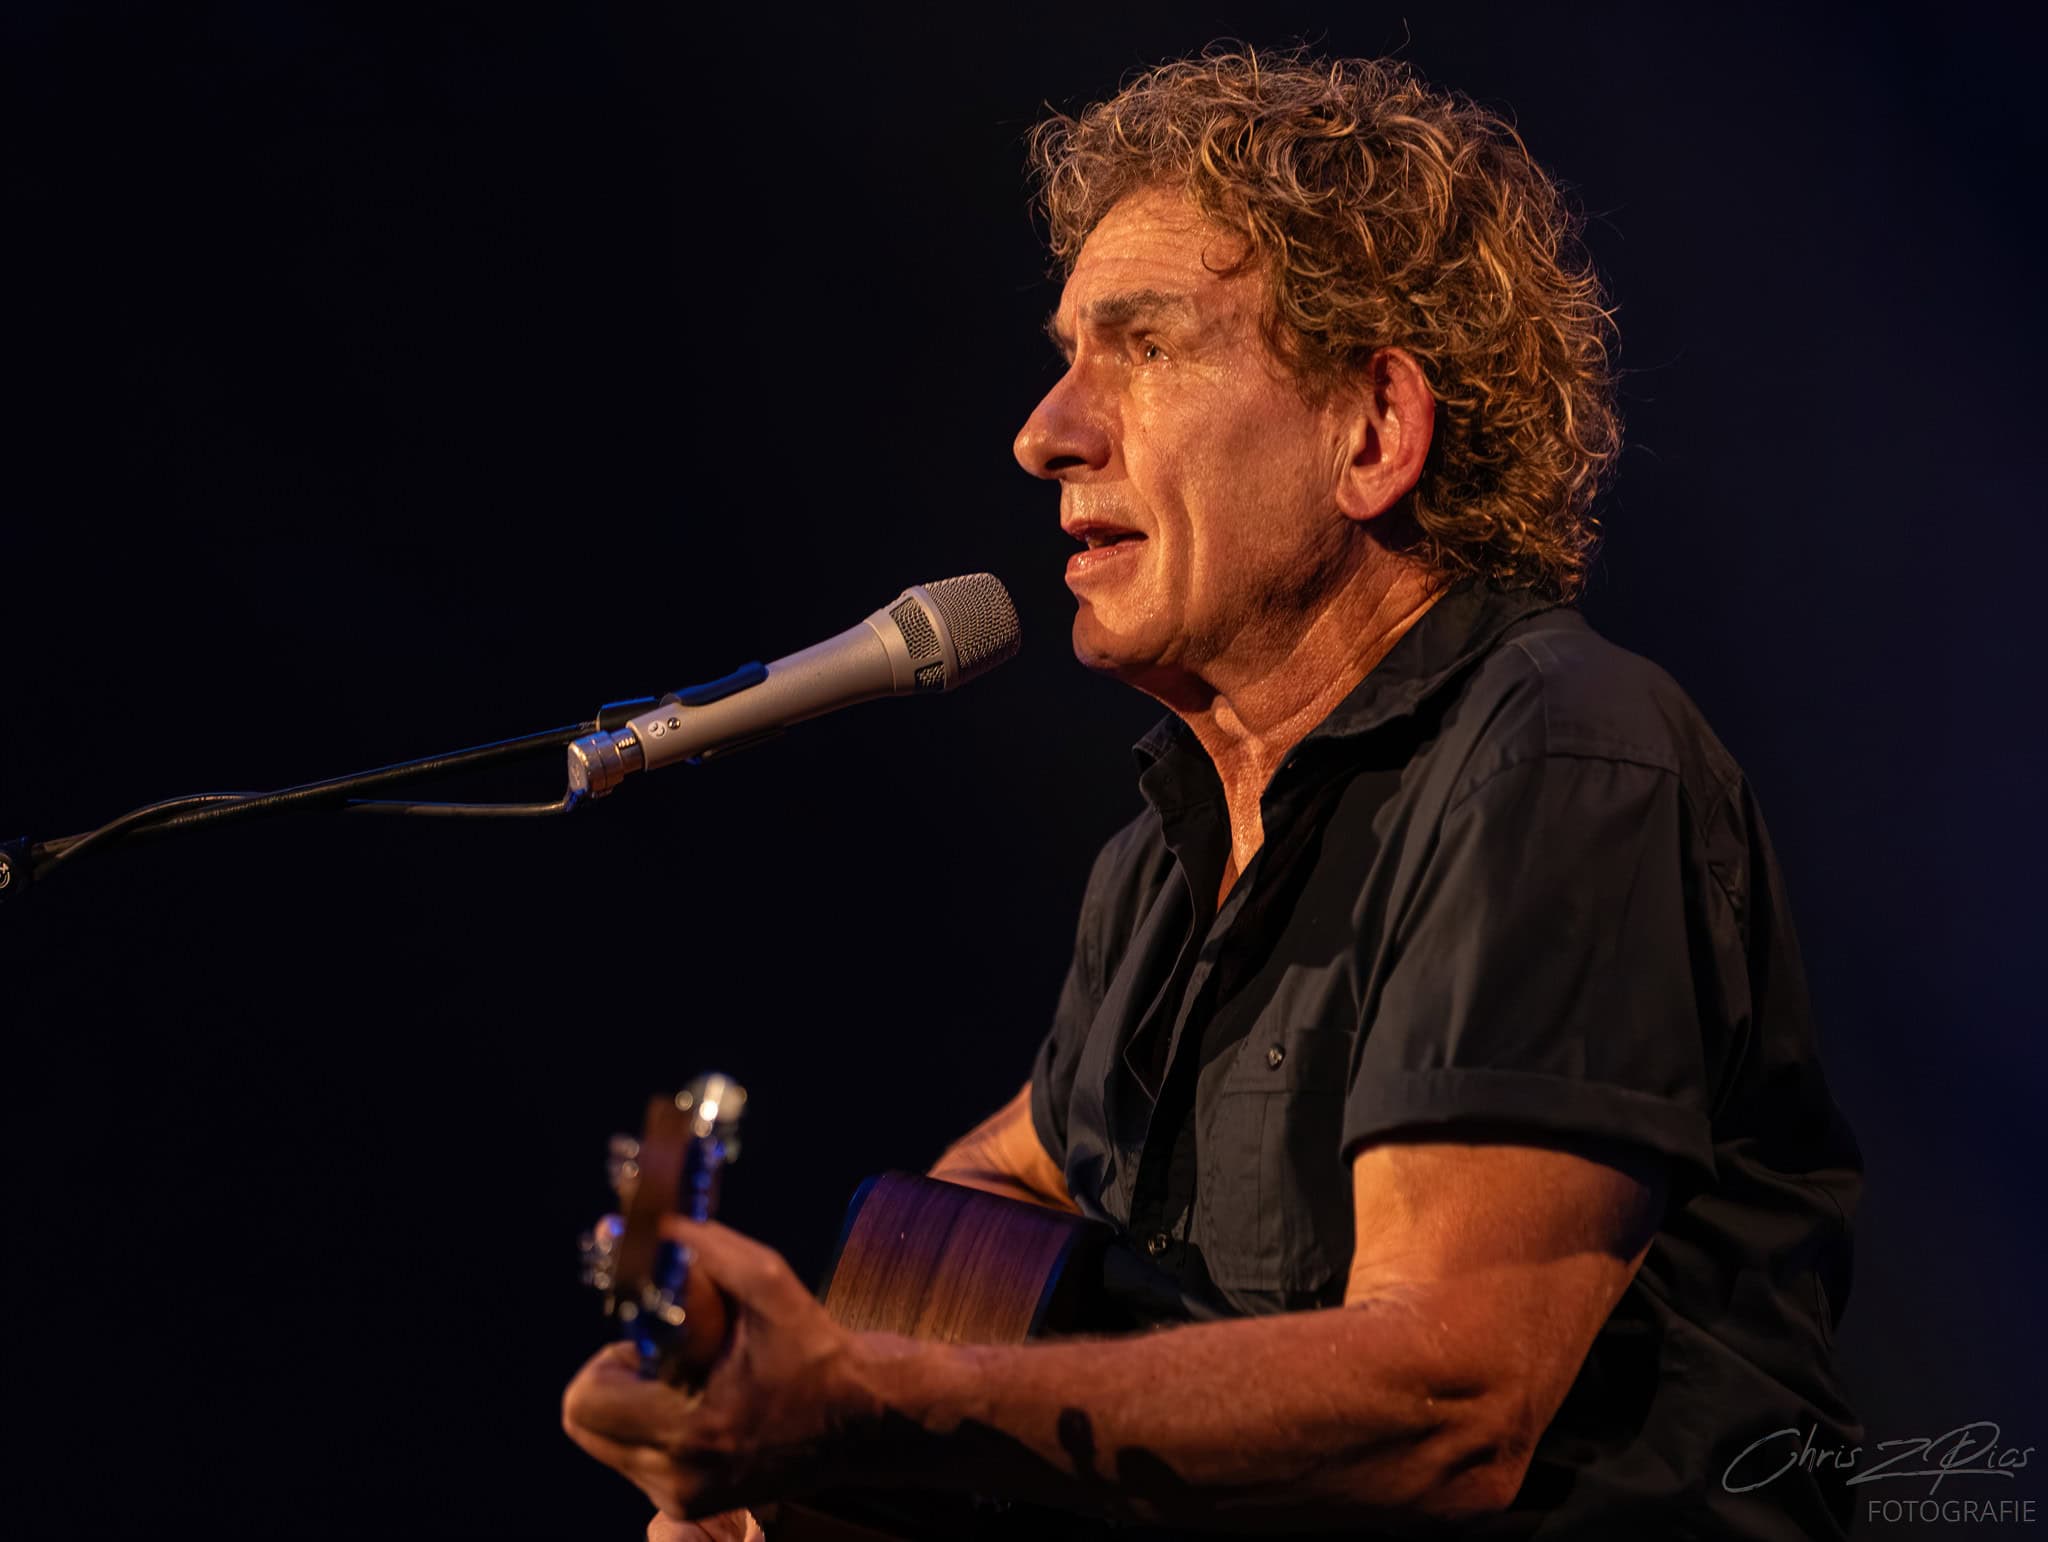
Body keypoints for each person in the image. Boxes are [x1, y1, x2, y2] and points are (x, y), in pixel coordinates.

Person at [563, 46, 1862, 1540]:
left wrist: (878, 1399)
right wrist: (794, 1473)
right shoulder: (1160, 870)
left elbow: (1450, 1403)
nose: (1045, 432)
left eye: (1146, 348)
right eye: (1069, 354)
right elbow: (996, 1196)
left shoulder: (1558, 759)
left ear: (1372, 431)